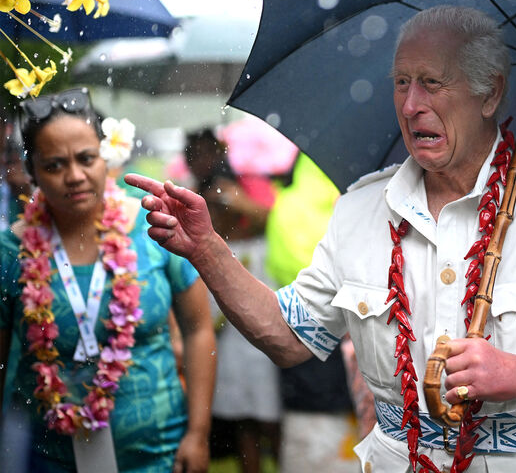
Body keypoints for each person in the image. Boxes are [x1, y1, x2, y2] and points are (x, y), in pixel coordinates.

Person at [126, 5, 516, 472]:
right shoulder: (359, 207)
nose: (410, 105)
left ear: (490, 92)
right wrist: (206, 249)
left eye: (432, 82)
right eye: (402, 82)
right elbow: (289, 338)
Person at [0, 87, 216, 472]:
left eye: (86, 158)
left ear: (107, 156)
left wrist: (197, 435)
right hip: (52, 459)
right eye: (54, 165)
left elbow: (199, 329)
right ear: (32, 172)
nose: (75, 176)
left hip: (160, 455)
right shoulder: (10, 251)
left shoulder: (156, 226)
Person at [184, 127, 281, 473]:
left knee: (269, 406)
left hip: (255, 289)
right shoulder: (190, 194)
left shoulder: (247, 184)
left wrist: (239, 202)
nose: (203, 161)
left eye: (209, 153)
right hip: (219, 322)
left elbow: (271, 221)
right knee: (240, 412)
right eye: (195, 154)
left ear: (221, 152)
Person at [264, 153, 358, 473]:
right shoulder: (353, 204)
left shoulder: (286, 206)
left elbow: (281, 269)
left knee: (310, 447)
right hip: (354, 350)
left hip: (304, 345)